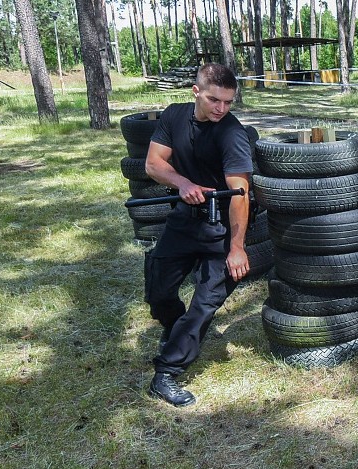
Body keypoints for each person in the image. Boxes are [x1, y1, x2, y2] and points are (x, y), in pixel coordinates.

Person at [144, 63, 253, 406]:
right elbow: (153, 163)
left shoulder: (231, 134)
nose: (221, 108)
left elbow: (240, 193)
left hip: (221, 227)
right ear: (196, 92)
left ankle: (166, 373)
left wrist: (236, 248)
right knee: (158, 290)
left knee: (203, 305)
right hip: (184, 219)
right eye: (214, 100)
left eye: (229, 102)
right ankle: (176, 333)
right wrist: (184, 183)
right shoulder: (174, 116)